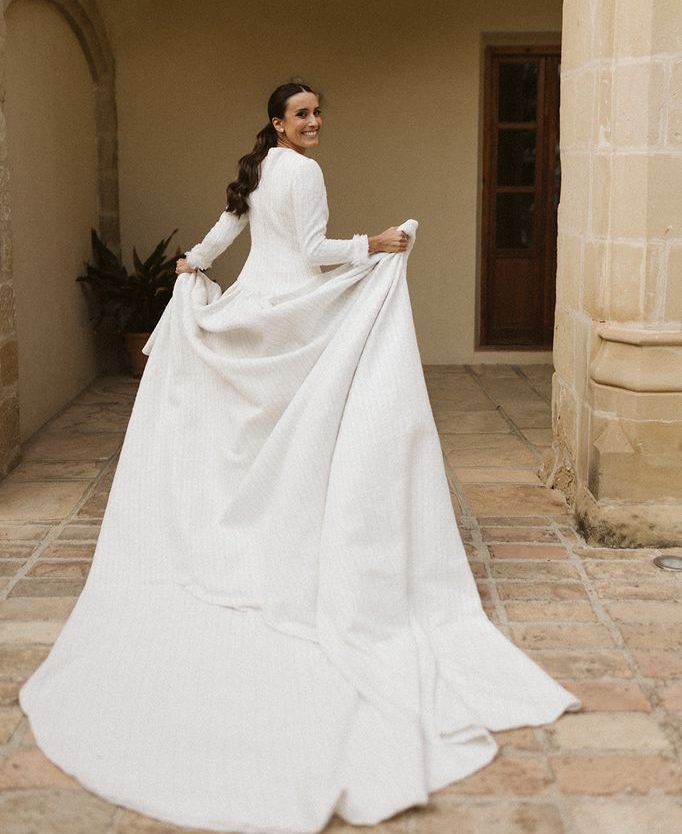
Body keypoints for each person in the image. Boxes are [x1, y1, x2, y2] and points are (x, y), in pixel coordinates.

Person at [19, 82, 580, 834]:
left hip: (251, 309)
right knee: (295, 425)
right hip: (287, 313)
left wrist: (192, 265)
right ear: (278, 123)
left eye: (318, 113)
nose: (315, 124)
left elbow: (224, 232)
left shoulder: (258, 172)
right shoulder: (304, 173)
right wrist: (373, 246)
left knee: (243, 430)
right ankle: (282, 534)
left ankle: (236, 534)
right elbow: (312, 253)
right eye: (303, 115)